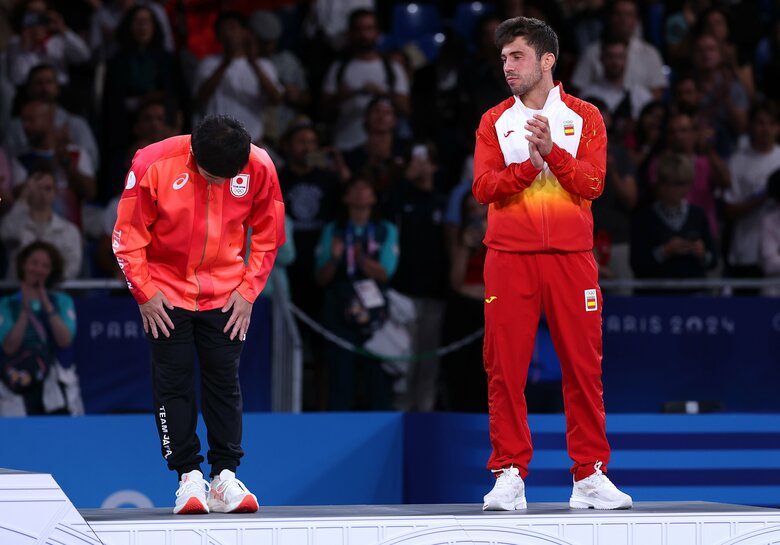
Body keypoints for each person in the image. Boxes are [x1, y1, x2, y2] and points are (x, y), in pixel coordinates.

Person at [473, 17, 632, 511]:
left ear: (547, 60)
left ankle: (589, 475)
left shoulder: (585, 116)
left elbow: (593, 184)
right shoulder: (494, 120)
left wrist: (552, 153)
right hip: (509, 257)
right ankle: (509, 473)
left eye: (517, 56)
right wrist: (528, 167)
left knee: (584, 369)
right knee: (505, 370)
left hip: (571, 258)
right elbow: (483, 188)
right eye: (504, 58)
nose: (507, 66)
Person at [112, 115, 285, 514]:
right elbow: (127, 236)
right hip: (164, 294)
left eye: (229, 178)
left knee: (224, 381)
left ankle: (225, 477)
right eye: (211, 177)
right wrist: (145, 292)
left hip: (226, 294)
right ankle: (188, 476)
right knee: (173, 383)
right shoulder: (153, 163)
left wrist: (248, 291)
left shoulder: (260, 165)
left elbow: (268, 233)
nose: (220, 185)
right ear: (193, 153)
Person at [0, 241, 80, 416]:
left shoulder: (61, 301)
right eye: (34, 263)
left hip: (54, 384)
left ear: (52, 270)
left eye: (45, 266)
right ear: (23, 264)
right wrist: (24, 311)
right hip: (16, 383)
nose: (38, 270)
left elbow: (65, 341)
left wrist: (46, 303)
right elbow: (8, 347)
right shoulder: (7, 303)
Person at [630, 153, 718, 293]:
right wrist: (665, 251)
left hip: (694, 294)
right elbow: (636, 264)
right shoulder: (644, 218)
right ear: (661, 184)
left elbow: (713, 260)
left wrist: (702, 253)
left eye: (683, 184)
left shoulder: (698, 215)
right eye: (673, 184)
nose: (679, 190)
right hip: (656, 295)